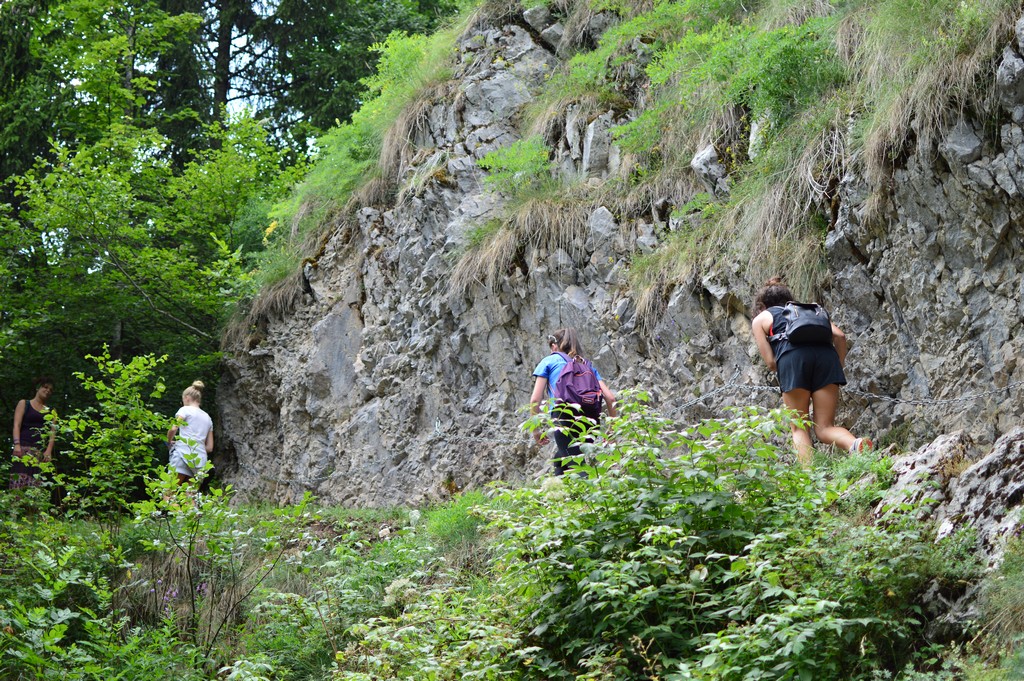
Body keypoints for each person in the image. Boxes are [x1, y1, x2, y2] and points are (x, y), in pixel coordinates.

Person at [751, 277, 872, 465]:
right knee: (824, 428)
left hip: (793, 360)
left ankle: (809, 475)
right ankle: (855, 444)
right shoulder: (810, 311)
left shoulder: (762, 318)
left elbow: (771, 363)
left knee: (799, 427)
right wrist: (836, 366)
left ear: (763, 305)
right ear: (788, 298)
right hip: (827, 359)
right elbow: (840, 336)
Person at [530, 328, 617, 475]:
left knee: (576, 465)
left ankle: (592, 489)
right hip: (590, 419)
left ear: (554, 346)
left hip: (564, 415)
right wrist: (612, 430)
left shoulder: (549, 361)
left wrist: (536, 430)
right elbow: (611, 398)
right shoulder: (586, 365)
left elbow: (535, 399)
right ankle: (559, 488)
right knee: (561, 460)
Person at [10, 377, 57, 489]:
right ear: (38, 388)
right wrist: (17, 445)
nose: (48, 391)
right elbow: (16, 425)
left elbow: (52, 433)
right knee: (18, 483)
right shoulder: (24, 403)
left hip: (39, 452)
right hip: (22, 449)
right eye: (45, 387)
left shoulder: (52, 411)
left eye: (50, 390)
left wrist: (48, 451)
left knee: (35, 485)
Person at [167, 380, 214, 485]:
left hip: (183, 454)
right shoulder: (208, 418)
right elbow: (209, 448)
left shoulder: (185, 410)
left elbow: (173, 429)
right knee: (190, 493)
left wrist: (169, 441)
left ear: (187, 398)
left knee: (170, 490)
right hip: (199, 461)